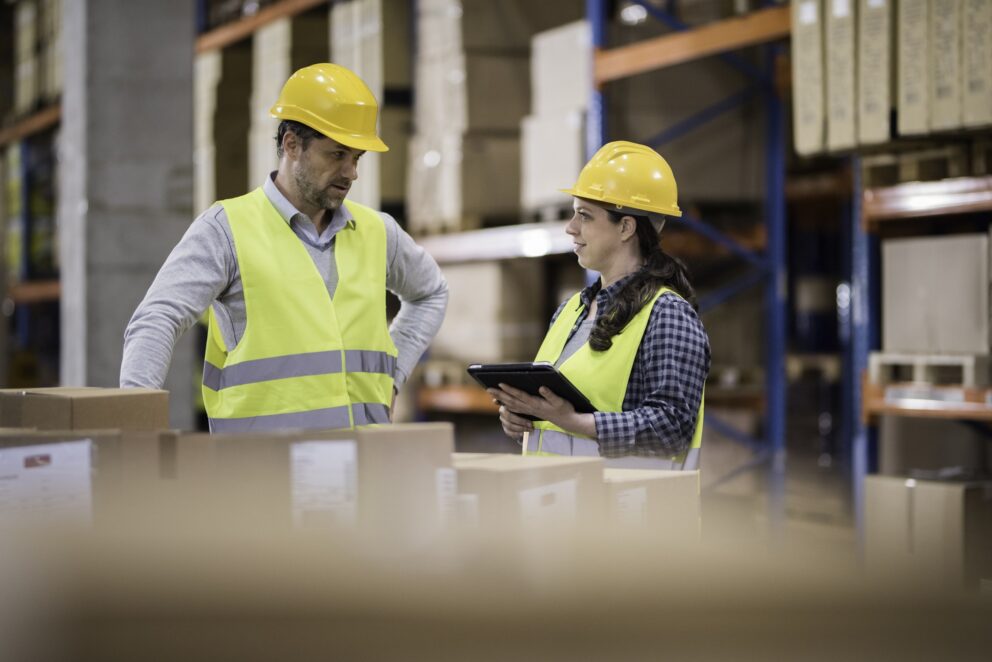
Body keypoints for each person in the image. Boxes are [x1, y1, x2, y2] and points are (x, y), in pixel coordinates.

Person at [121, 63, 448, 432]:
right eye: (337, 154)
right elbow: (157, 319)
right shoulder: (226, 230)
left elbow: (431, 293)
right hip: (262, 477)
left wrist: (394, 374)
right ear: (292, 144)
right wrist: (137, 429)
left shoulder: (377, 232)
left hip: (363, 474)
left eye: (357, 158)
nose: (351, 173)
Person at [489, 141, 709, 469]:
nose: (570, 228)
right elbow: (557, 421)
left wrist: (576, 422)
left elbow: (672, 426)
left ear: (626, 227)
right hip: (559, 508)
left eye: (585, 216)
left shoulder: (667, 316)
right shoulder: (570, 311)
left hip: (630, 512)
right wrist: (523, 417)